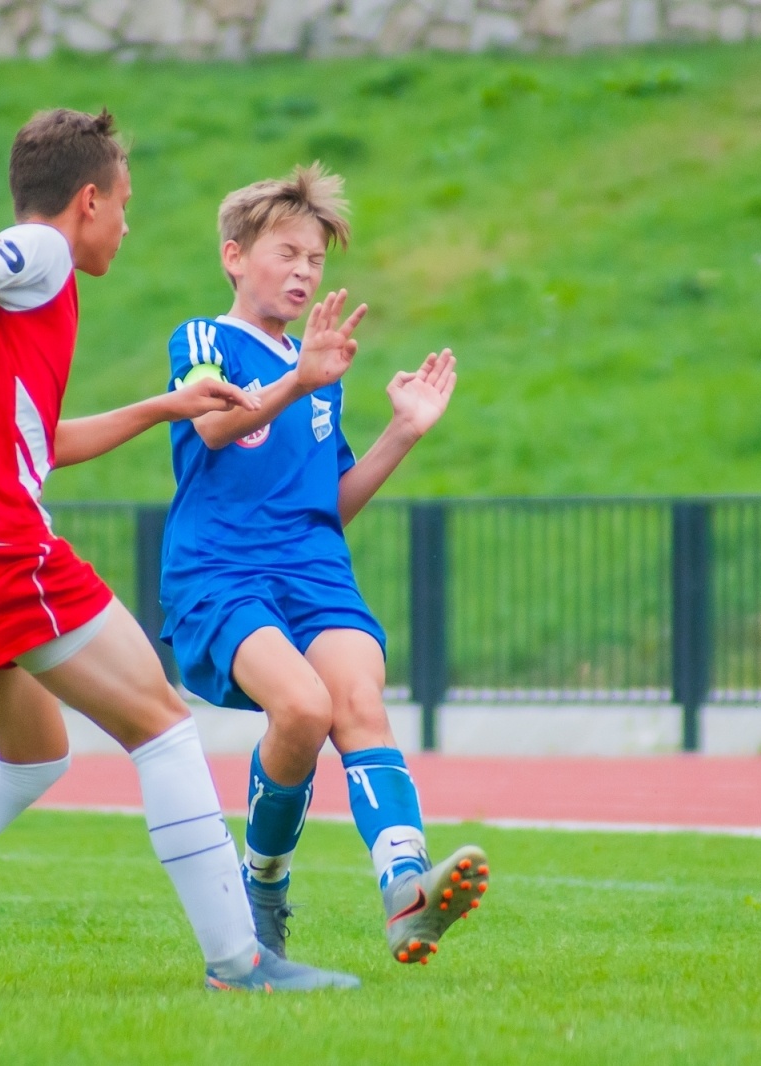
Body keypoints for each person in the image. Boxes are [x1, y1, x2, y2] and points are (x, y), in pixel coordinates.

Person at [0, 109, 357, 994]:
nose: (127, 226)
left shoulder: (5, 318)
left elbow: (44, 442)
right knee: (164, 725)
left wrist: (159, 408)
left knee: (33, 753)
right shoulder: (46, 256)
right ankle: (240, 962)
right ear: (88, 199)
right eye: (124, 206)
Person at [158, 163, 487, 968]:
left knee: (357, 701)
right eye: (287, 253)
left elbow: (326, 503)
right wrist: (297, 377)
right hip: (222, 571)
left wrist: (403, 431)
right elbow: (208, 426)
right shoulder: (206, 338)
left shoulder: (320, 370)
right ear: (235, 257)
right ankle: (262, 888)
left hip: (313, 571)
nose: (305, 272)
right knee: (300, 710)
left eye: (316, 260)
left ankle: (406, 895)